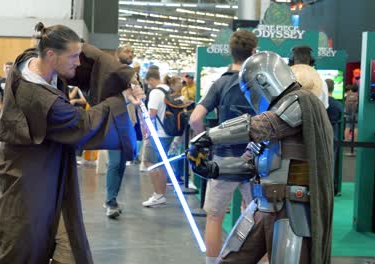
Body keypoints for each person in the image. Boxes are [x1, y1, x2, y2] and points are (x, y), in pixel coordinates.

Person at [0, 22, 144, 264]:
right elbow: (81, 124)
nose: (78, 62)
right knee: (17, 245)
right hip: (28, 176)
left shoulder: (33, 58)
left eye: (77, 55)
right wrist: (122, 98)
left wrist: (125, 76)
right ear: (51, 56)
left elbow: (88, 56)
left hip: (50, 169)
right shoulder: (38, 97)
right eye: (73, 57)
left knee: (65, 243)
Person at [188, 51, 334, 264]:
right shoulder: (275, 119)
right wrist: (214, 169)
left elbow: (264, 124)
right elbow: (250, 164)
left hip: (290, 211)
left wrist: (208, 137)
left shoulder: (301, 103)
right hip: (261, 206)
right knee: (230, 260)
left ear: (263, 80)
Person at [188, 29, 257, 264]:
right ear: (253, 52)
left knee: (215, 217)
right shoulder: (258, 84)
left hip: (223, 160)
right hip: (256, 160)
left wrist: (206, 143)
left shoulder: (220, 83)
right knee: (260, 215)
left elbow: (195, 119)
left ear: (231, 52)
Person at [104, 44, 139, 219]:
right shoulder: (112, 74)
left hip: (129, 124)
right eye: (127, 51)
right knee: (115, 162)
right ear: (118, 54)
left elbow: (138, 100)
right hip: (114, 123)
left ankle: (113, 199)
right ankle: (110, 202)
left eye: (132, 52)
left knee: (122, 163)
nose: (130, 54)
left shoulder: (133, 75)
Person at [142, 69, 174, 207]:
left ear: (150, 80)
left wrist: (146, 132)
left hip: (158, 134)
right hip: (168, 132)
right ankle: (160, 194)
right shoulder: (168, 89)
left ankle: (158, 194)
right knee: (161, 163)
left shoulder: (155, 92)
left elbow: (152, 114)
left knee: (149, 162)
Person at [325, 79, 343, 194]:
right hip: (334, 136)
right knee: (332, 163)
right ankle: (331, 188)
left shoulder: (320, 103)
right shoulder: (337, 104)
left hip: (322, 135)